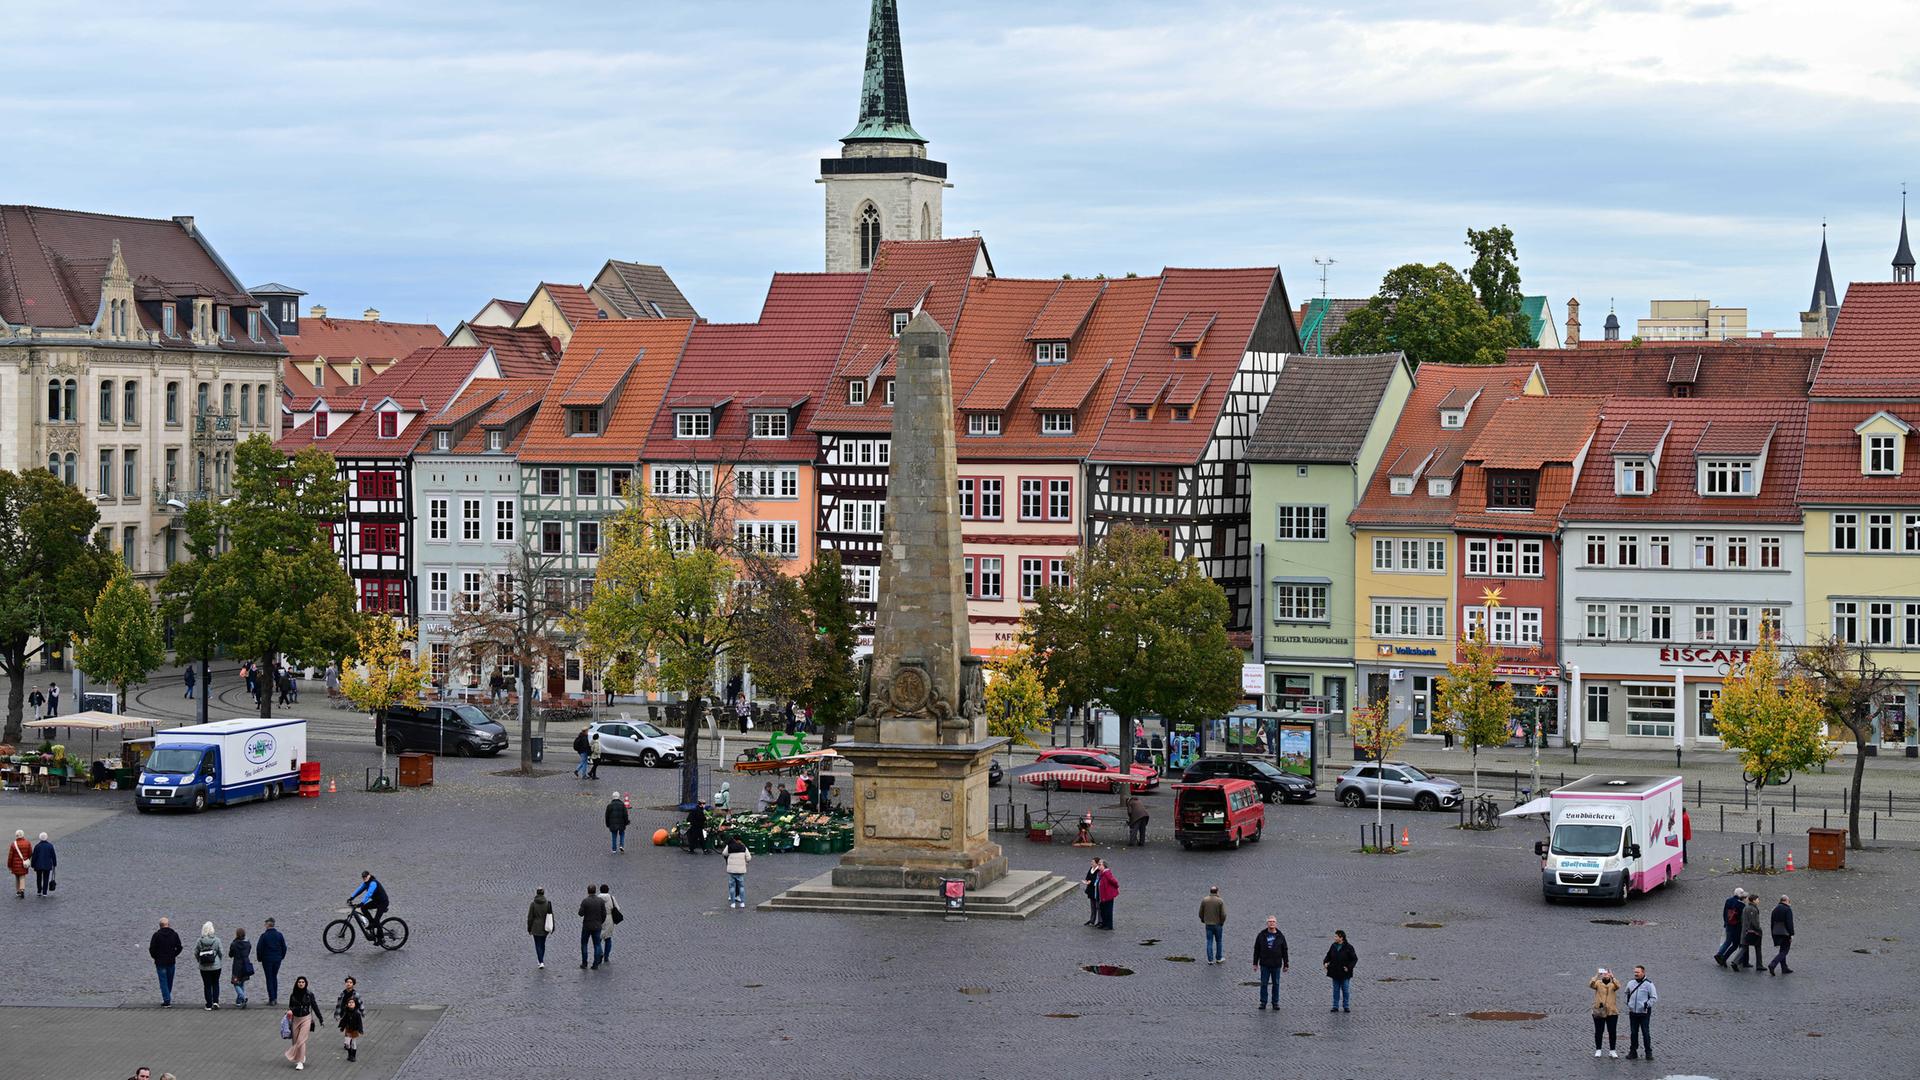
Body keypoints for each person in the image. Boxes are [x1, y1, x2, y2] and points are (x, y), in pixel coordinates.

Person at [285, 975, 324, 1070]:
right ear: (297, 983)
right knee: (295, 1040)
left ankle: (300, 1062)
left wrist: (320, 1018)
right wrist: (289, 1011)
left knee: (301, 1041)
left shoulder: (309, 994)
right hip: (296, 1019)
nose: (301, 983)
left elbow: (314, 1006)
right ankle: (301, 1056)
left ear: (306, 983)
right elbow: (291, 1006)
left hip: (306, 1019)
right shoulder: (293, 994)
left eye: (303, 982)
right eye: (299, 982)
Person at [1253, 916, 1289, 1010]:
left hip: (1276, 964)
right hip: (1265, 964)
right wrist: (1255, 963)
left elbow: (1284, 950)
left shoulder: (1280, 936)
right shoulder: (1261, 935)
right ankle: (1263, 1002)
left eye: (1273, 921)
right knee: (1264, 983)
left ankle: (1275, 1002)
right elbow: (1257, 949)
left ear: (1276, 923)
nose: (1271, 923)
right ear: (1267, 923)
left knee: (1276, 984)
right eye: (1270, 921)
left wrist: (1286, 964)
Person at [1624, 964, 1657, 1060]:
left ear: (1643, 972)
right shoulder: (1630, 983)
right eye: (1635, 972)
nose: (1636, 974)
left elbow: (1654, 997)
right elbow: (1626, 993)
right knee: (1633, 1033)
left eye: (1637, 972)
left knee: (1645, 1032)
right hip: (1633, 1012)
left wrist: (1646, 1005)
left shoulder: (1649, 984)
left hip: (1644, 1013)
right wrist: (1628, 1004)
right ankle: (1633, 1052)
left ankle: (1648, 1052)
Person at [149, 917, 182, 1007]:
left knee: (163, 981)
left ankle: (166, 1000)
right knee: (169, 981)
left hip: (160, 962)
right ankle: (167, 998)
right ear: (168, 924)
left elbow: (152, 949)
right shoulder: (174, 934)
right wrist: (174, 955)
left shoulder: (156, 935)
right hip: (171, 961)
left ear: (160, 926)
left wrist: (155, 957)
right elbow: (179, 947)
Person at [1589, 967, 1621, 1057]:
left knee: (1612, 1032)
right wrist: (1597, 975)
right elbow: (1591, 984)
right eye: (1604, 973)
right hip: (1600, 1011)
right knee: (1599, 1031)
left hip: (1612, 1012)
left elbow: (1618, 986)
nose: (1606, 975)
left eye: (1608, 973)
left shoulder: (1613, 984)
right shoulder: (1598, 983)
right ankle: (1598, 1049)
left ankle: (1612, 1050)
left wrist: (1613, 977)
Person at [1324, 929, 1358, 1012]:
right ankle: (1335, 1006)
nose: (1334, 938)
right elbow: (1328, 956)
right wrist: (1325, 962)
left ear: (1341, 938)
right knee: (1336, 990)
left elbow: (1354, 959)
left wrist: (1348, 967)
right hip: (1335, 972)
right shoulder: (1333, 946)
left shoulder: (1349, 947)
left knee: (1345, 990)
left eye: (1336, 936)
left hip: (1345, 973)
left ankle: (1346, 1006)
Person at [1713, 887, 1747, 966]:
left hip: (1728, 924)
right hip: (1736, 926)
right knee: (1736, 943)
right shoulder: (1740, 904)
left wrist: (1725, 922)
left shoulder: (1728, 901)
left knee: (1727, 941)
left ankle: (1719, 954)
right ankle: (1738, 959)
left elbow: (1725, 912)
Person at [193, 921, 223, 1010]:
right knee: (215, 983)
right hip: (216, 966)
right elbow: (221, 952)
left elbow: (195, 952)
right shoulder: (217, 940)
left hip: (204, 967)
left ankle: (208, 1004)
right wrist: (218, 960)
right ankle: (216, 1002)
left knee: (207, 985)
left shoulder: (199, 940)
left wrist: (199, 960)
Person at [257, 918, 287, 1004]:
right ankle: (275, 997)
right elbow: (284, 947)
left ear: (267, 925)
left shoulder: (264, 936)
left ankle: (271, 998)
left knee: (269, 978)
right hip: (277, 959)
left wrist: (260, 958)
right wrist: (281, 957)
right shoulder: (279, 935)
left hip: (267, 960)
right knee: (274, 977)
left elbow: (259, 948)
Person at [579, 885, 608, 969]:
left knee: (584, 944)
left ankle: (584, 963)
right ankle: (595, 964)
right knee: (597, 945)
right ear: (595, 891)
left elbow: (580, 913)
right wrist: (600, 922)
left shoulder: (585, 901)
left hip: (587, 926)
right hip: (597, 926)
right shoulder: (600, 901)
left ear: (588, 891)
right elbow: (604, 914)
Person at [1733, 893, 1763, 971]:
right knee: (1758, 947)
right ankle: (1759, 965)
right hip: (1752, 932)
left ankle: (1735, 961)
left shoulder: (1746, 908)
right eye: (1757, 899)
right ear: (1753, 900)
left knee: (1744, 947)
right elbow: (1754, 922)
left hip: (1745, 931)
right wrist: (1759, 930)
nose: (1758, 901)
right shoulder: (1753, 909)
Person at [1767, 895, 1795, 975]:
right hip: (1785, 933)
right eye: (1789, 901)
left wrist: (1773, 934)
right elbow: (1789, 923)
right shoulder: (1787, 909)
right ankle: (1773, 964)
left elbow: (1772, 923)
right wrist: (1791, 934)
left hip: (1776, 932)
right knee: (1785, 951)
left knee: (1782, 950)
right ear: (1786, 901)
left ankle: (1784, 967)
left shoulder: (1775, 909)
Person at [1198, 886, 1226, 964]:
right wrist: (1222, 922)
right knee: (1219, 941)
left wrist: (1203, 919)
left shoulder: (1205, 900)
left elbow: (1200, 912)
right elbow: (1223, 914)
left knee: (1209, 941)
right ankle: (1218, 958)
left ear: (1210, 891)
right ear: (1217, 891)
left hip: (1208, 924)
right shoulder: (1220, 901)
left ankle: (1210, 960)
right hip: (1218, 924)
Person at [527, 887, 554, 968]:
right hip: (545, 926)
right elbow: (551, 916)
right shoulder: (547, 903)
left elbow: (530, 918)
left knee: (537, 944)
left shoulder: (533, 904)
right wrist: (553, 927)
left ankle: (540, 961)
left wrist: (529, 928)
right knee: (542, 944)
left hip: (535, 927)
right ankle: (541, 960)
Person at [228, 927, 254, 1008]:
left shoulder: (234, 944)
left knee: (236, 983)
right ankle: (239, 1002)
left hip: (237, 966)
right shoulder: (248, 944)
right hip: (245, 965)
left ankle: (242, 997)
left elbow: (230, 954)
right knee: (242, 982)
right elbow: (248, 951)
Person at [725, 835, 752, 909]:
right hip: (740, 870)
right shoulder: (744, 847)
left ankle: (733, 903)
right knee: (741, 886)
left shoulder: (729, 846)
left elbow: (724, 853)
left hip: (732, 870)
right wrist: (745, 862)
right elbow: (749, 858)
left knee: (732, 886)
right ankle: (742, 903)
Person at [338, 991, 365, 1062]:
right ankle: (349, 1054)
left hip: (355, 1029)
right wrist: (342, 1027)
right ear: (347, 1004)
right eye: (349, 1003)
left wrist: (360, 1029)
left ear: (355, 1004)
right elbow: (344, 1021)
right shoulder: (346, 1013)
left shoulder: (357, 1013)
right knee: (347, 1043)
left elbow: (360, 1022)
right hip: (348, 1029)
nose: (351, 1004)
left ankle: (353, 1056)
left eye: (352, 1003)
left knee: (353, 1043)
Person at [598, 884, 622, 964]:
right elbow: (617, 908)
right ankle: (606, 956)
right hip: (609, 919)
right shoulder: (612, 898)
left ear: (600, 890)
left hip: (599, 918)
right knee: (608, 938)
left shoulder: (597, 898)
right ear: (608, 890)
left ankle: (600, 952)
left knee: (598, 938)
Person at [1094, 860, 1119, 930]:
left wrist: (1114, 888)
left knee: (1108, 910)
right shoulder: (1100, 873)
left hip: (1108, 895)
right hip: (1102, 896)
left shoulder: (1107, 873)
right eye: (1098, 865)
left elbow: (1115, 882)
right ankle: (1104, 923)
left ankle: (1109, 925)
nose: (1098, 866)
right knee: (1103, 910)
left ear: (1104, 866)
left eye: (1100, 865)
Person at [29, 832, 55, 896]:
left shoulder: (37, 846)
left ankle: (39, 890)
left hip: (38, 865)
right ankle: (44, 892)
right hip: (47, 865)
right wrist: (54, 863)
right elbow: (53, 856)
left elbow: (34, 856)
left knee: (39, 878)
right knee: (46, 878)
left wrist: (32, 864)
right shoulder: (50, 846)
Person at [7, 830, 29, 899]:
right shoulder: (27, 843)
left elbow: (10, 856)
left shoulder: (13, 844)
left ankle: (18, 891)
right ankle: (22, 889)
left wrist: (9, 865)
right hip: (23, 863)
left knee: (17, 877)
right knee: (22, 876)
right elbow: (30, 852)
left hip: (15, 864)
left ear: (16, 835)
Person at [1083, 858, 1102, 926]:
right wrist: (1087, 881)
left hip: (1096, 890)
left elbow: (1098, 880)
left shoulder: (1098, 870)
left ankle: (1100, 921)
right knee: (1093, 906)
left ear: (1097, 863)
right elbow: (1088, 877)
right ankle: (1092, 920)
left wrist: (1090, 882)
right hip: (1091, 890)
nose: (1091, 863)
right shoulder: (1091, 869)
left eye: (1093, 862)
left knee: (1098, 906)